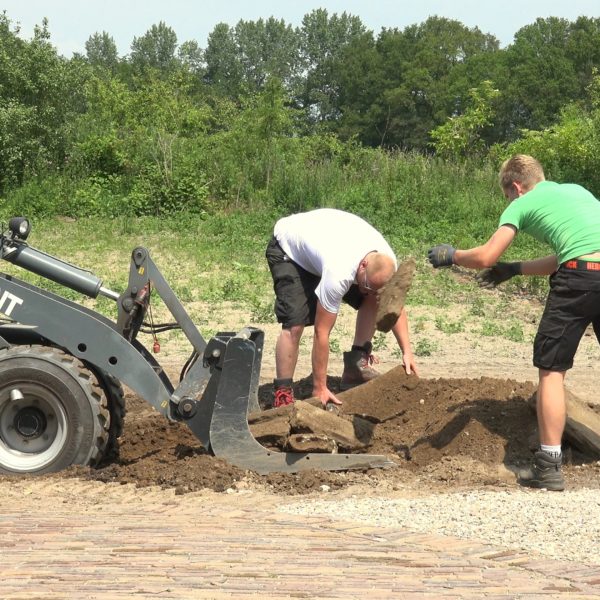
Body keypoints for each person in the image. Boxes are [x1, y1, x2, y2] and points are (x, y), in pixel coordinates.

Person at [427, 154, 600, 491]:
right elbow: (573, 254)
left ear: (516, 187)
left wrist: (453, 256)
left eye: (507, 196)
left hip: (578, 281)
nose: (509, 201)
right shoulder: (578, 192)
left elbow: (486, 256)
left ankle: (549, 465)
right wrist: (515, 268)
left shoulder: (523, 202)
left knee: (551, 370)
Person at [266, 208, 418, 409]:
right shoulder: (339, 271)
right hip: (290, 251)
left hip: (324, 248)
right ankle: (283, 394)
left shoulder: (387, 262)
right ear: (363, 265)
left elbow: (394, 305)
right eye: (369, 285)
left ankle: (355, 366)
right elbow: (322, 332)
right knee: (295, 324)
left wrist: (407, 351)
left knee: (373, 298)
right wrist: (320, 387)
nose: (370, 291)